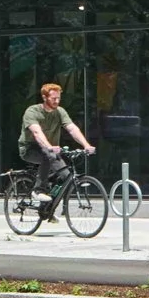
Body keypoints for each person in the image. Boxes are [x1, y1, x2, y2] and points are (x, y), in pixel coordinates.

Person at [19, 81, 94, 222]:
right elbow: (37, 132)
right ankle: (38, 190)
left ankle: (47, 209)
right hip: (30, 148)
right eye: (54, 98)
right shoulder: (32, 111)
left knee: (67, 177)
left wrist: (86, 145)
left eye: (59, 98)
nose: (57, 101)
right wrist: (49, 146)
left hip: (51, 151)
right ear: (44, 97)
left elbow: (72, 128)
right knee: (47, 156)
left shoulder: (60, 112)